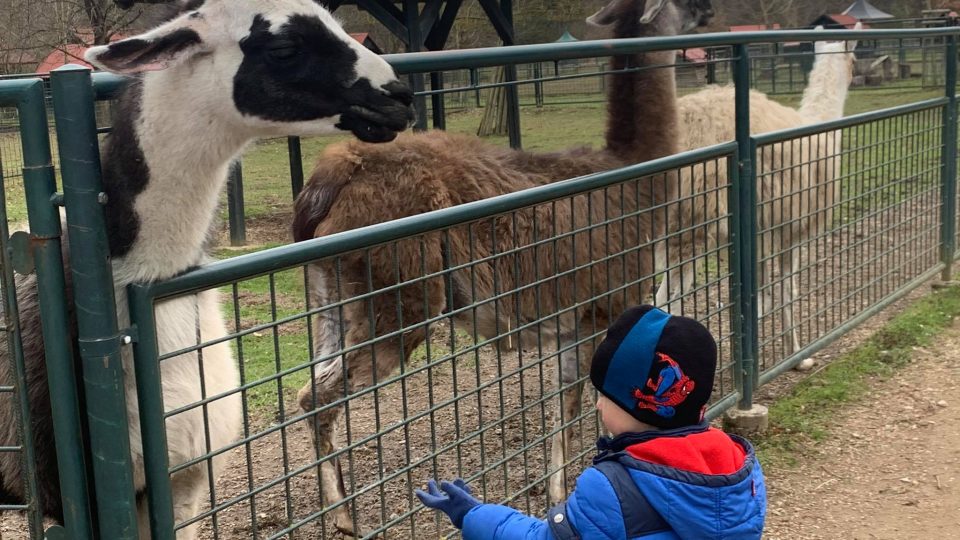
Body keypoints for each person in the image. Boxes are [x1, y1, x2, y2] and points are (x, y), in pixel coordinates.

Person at [416, 305, 766, 539]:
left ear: (641, 405)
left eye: (605, 396)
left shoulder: (611, 489)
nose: (597, 403)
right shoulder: (739, 469)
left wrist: (472, 514)